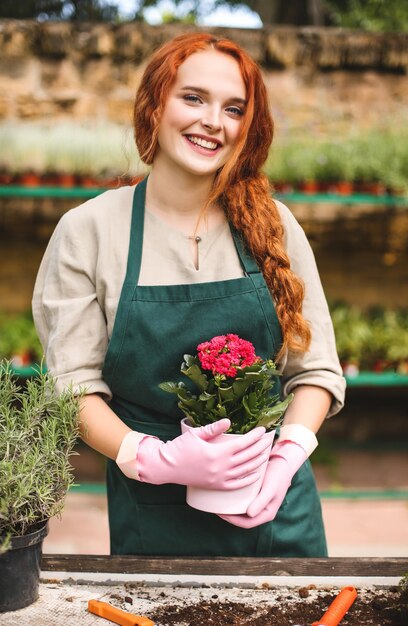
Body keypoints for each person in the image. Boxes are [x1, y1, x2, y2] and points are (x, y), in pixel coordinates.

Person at [32, 32, 346, 557]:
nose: (212, 121)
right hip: (151, 516)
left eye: (233, 108)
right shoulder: (88, 231)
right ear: (154, 104)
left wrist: (287, 455)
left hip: (276, 514)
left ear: (249, 128)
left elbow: (315, 370)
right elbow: (73, 386)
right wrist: (152, 457)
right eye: (193, 98)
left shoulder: (274, 226)